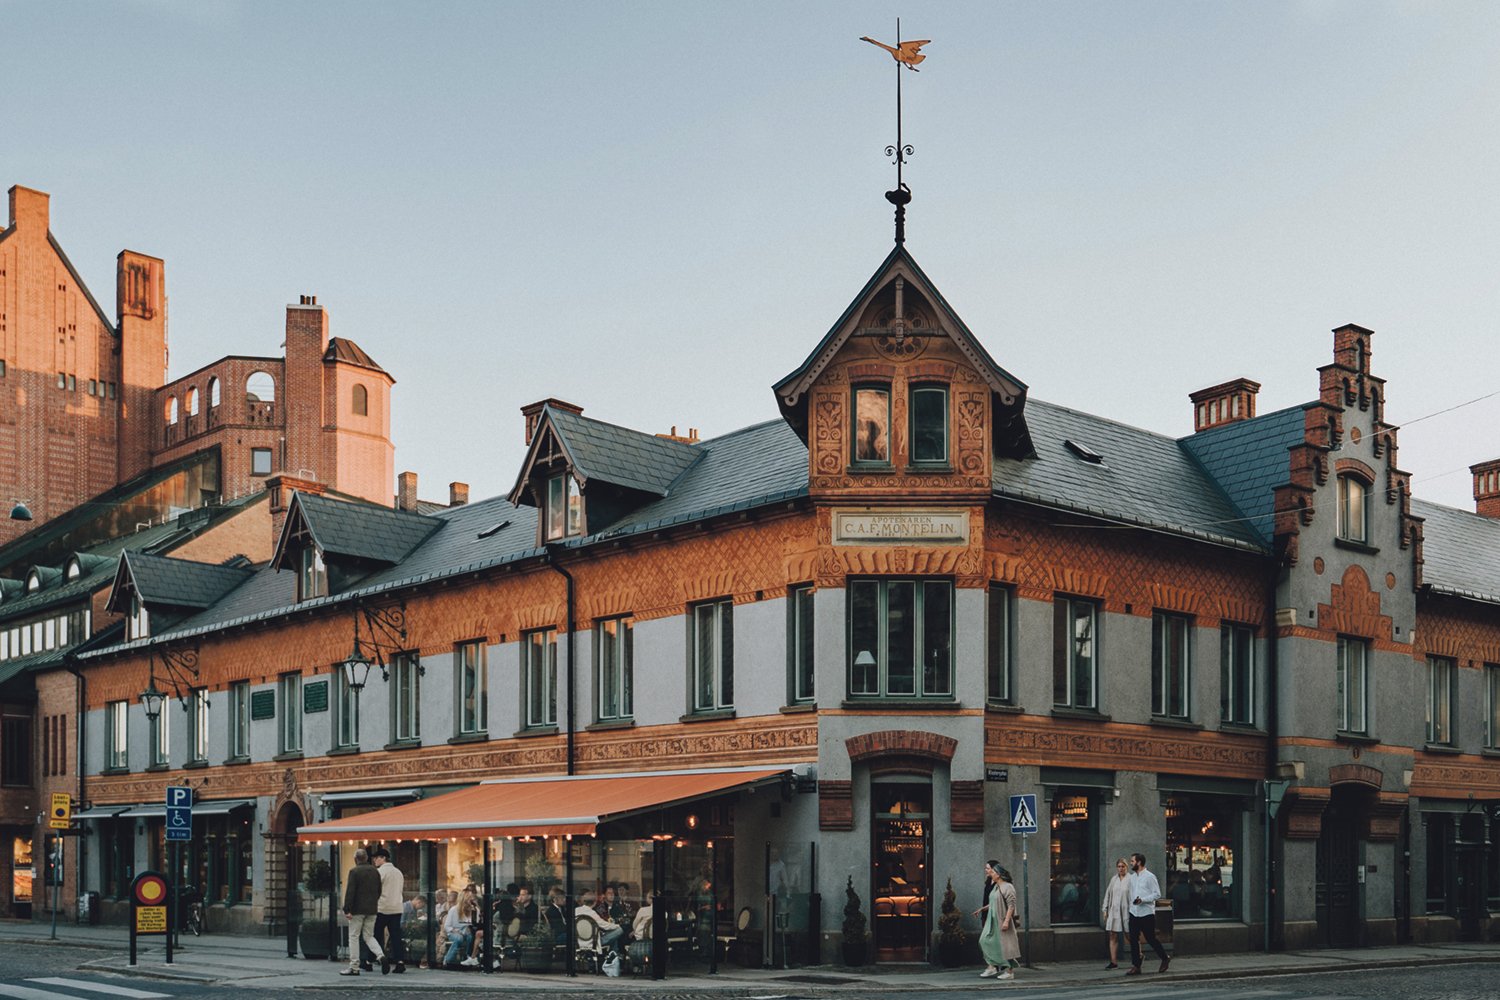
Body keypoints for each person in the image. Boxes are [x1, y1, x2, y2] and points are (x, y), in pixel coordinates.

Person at [341, 848, 387, 976]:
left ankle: (354, 966)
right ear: (367, 858)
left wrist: (347, 909)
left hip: (357, 910)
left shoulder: (354, 871)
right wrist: (373, 903)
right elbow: (379, 890)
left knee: (354, 936)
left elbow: (350, 892)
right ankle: (380, 955)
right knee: (369, 936)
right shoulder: (375, 871)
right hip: (372, 909)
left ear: (356, 859)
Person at [974, 860, 1019, 981]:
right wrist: (982, 909)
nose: (990, 873)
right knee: (984, 941)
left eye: (992, 871)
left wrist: (1006, 921)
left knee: (1006, 945)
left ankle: (1009, 971)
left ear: (998, 874)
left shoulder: (1007, 887)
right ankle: (992, 966)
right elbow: (993, 902)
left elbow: (1011, 905)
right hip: (992, 919)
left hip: (1002, 919)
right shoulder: (996, 887)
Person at [1126, 852, 1170, 975]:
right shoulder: (1133, 877)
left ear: (1139, 862)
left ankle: (1165, 958)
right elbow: (1131, 893)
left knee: (1150, 938)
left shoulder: (1150, 877)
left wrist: (1143, 900)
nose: (1131, 863)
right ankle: (1136, 965)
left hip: (1146, 913)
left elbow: (1157, 894)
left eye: (1132, 861)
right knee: (1133, 939)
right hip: (1134, 912)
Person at [370, 848, 406, 973]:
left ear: (383, 858)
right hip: (396, 907)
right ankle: (400, 962)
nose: (374, 860)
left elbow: (374, 890)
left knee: (375, 934)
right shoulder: (398, 872)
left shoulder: (379, 872)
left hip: (382, 907)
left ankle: (372, 959)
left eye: (376, 858)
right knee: (396, 936)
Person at [1100, 858, 1131, 970]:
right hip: (1114, 910)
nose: (1121, 868)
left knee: (1129, 935)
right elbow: (1108, 894)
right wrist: (1105, 909)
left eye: (1123, 866)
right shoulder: (1114, 879)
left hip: (1126, 911)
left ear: (1127, 867)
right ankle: (1113, 962)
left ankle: (1139, 955)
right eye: (1119, 866)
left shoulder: (1131, 879)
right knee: (1113, 935)